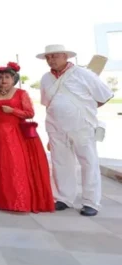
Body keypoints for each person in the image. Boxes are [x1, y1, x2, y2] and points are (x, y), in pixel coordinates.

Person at [38, 44, 114, 217]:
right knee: (60, 162)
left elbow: (105, 95)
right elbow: (47, 102)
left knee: (88, 162)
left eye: (55, 56)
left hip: (82, 125)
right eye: (48, 57)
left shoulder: (84, 74)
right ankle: (64, 198)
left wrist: (86, 109)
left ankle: (91, 201)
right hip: (55, 126)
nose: (51, 60)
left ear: (65, 56)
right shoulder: (45, 78)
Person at [0, 62, 54, 213]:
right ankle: (0, 199)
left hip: (15, 134)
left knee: (15, 165)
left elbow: (30, 113)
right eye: (1, 77)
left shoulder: (21, 94)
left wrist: (13, 110)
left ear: (14, 79)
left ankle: (18, 200)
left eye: (7, 77)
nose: (3, 80)